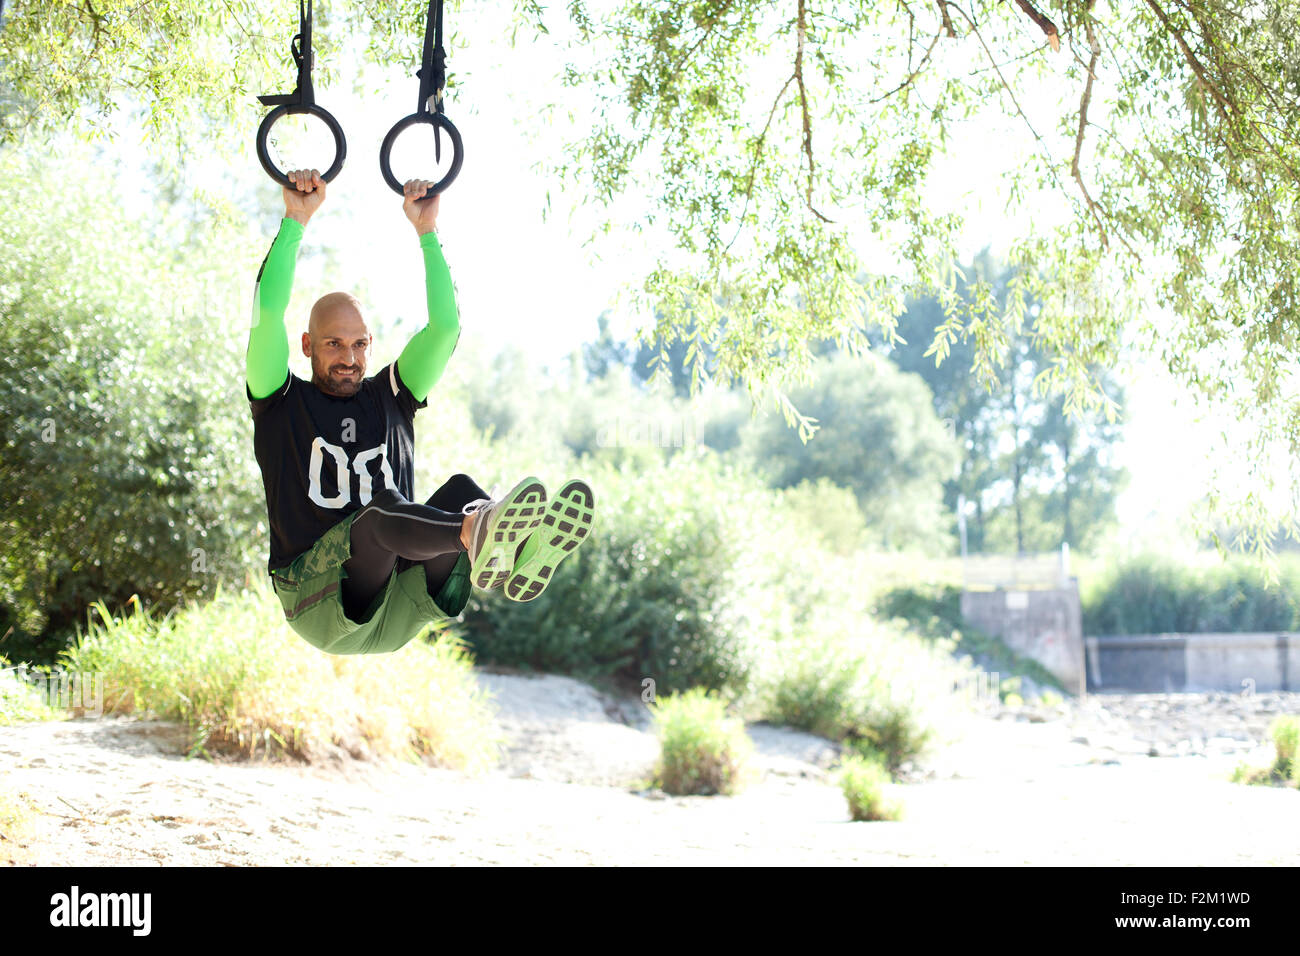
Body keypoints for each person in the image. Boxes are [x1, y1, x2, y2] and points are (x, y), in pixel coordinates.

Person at [245, 168, 595, 655]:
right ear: (307, 345)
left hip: (398, 605)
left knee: (463, 492)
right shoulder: (281, 403)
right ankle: (477, 531)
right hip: (317, 602)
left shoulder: (391, 394)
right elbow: (265, 315)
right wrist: (295, 220)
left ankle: (519, 552)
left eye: (359, 344)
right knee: (382, 513)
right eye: (333, 344)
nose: (349, 357)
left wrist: (427, 231)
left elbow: (445, 329)